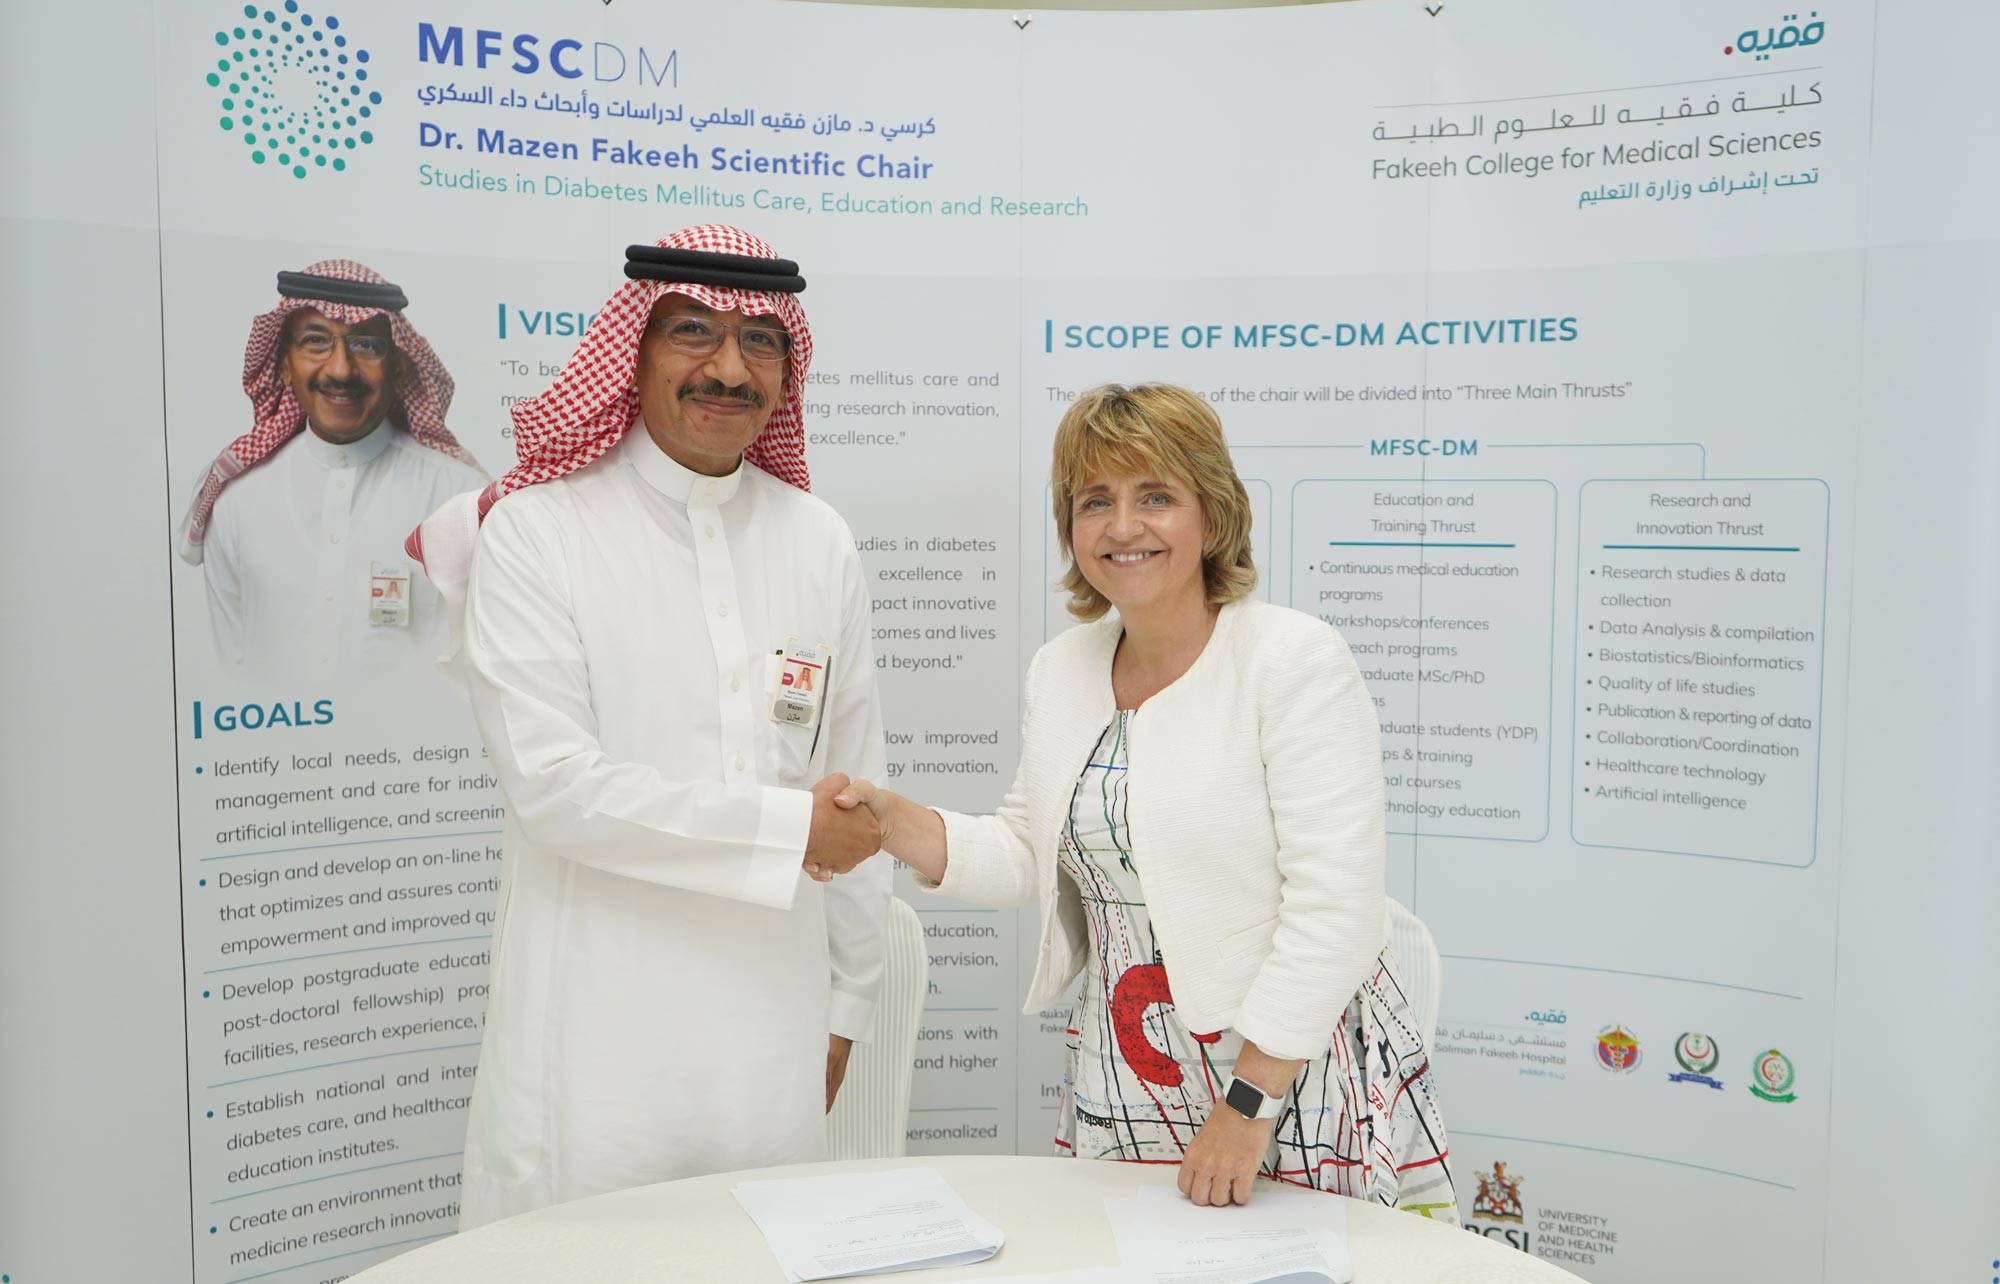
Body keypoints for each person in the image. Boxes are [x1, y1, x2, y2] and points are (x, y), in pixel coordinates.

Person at [839, 384, 1456, 1218]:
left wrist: (1248, 1107)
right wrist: (890, 822)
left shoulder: (1292, 660)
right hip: (1124, 1061)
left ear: (1213, 513)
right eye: (1095, 501)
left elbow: (1336, 910)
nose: (1123, 527)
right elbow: (1028, 851)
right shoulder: (1062, 668)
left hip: (1286, 1070)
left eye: (1155, 496)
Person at [405, 226, 889, 1228]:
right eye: (692, 331)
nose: (729, 369)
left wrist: (846, 1003)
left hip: (772, 1035)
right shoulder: (537, 531)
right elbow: (556, 790)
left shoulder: (818, 539)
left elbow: (855, 783)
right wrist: (788, 828)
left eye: (760, 341)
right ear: (633, 348)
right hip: (596, 1044)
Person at [176, 260, 486, 675]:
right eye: (316, 342)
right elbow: (229, 669)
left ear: (398, 367)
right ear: (285, 365)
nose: (340, 370)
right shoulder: (236, 504)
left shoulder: (460, 498)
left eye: (366, 345)